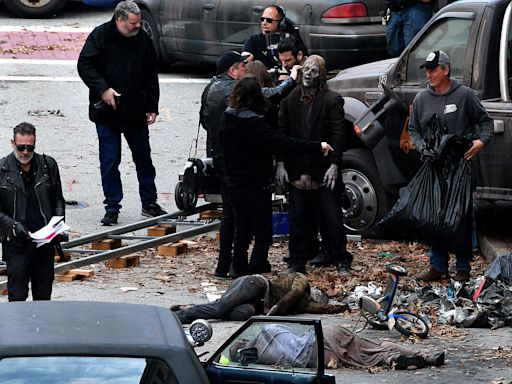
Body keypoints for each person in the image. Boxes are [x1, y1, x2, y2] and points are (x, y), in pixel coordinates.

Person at [220, 76, 333, 276]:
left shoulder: (227, 117)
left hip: (233, 182)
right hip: (255, 183)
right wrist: (318, 146)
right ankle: (257, 267)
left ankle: (237, 268)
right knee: (263, 231)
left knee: (242, 229)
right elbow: (284, 142)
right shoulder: (255, 125)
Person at [77, 1, 166, 226]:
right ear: (119, 20)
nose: (137, 27)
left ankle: (149, 202)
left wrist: (152, 107)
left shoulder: (142, 39)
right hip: (108, 112)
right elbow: (85, 64)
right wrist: (103, 89)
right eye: (133, 24)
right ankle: (112, 206)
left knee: (144, 159)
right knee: (110, 160)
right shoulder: (100, 36)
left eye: (138, 24)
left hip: (135, 111)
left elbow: (150, 75)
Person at [409, 50, 494, 282]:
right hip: (434, 167)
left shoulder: (465, 95)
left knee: (462, 215)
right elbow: (413, 130)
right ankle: (438, 265)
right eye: (426, 70)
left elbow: (486, 122)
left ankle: (463, 267)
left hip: (460, 166)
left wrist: (480, 142)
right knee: (435, 216)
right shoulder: (421, 99)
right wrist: (420, 146)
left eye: (433, 69)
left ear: (445, 70)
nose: (429, 74)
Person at [276, 55, 353, 277]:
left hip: (323, 168)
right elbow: (281, 133)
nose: (309, 75)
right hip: (298, 167)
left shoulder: (331, 100)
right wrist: (281, 163)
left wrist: (334, 164)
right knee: (298, 217)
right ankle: (297, 261)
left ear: (321, 76)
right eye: (306, 70)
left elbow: (339, 134)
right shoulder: (290, 99)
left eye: (314, 71)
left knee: (332, 217)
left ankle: (341, 258)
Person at [0, 122, 65, 301]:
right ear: (12, 143)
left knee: (43, 297)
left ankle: (41, 329)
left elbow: (58, 199)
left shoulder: (48, 165)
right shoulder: (2, 169)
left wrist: (58, 224)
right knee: (17, 298)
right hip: (17, 245)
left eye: (30, 147)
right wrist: (13, 226)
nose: (26, 152)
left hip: (44, 243)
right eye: (21, 147)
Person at [200, 50, 248, 279]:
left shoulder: (209, 88)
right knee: (235, 213)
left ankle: (223, 264)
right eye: (242, 67)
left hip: (217, 155)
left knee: (229, 211)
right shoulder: (234, 90)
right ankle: (233, 265)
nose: (245, 71)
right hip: (234, 159)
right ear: (232, 70)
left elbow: (203, 120)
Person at [228, 323, 445, 370]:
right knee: (375, 346)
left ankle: (393, 360)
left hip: (320, 356)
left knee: (361, 359)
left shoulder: (263, 356)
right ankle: (421, 356)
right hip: (324, 336)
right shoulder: (269, 330)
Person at [170, 273, 348, 324]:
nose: (317, 300)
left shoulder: (305, 303)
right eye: (318, 296)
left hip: (257, 305)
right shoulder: (301, 280)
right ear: (314, 290)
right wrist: (277, 309)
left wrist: (342, 307)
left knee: (239, 313)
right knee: (220, 308)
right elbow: (294, 293)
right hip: (256, 285)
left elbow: (323, 309)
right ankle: (180, 316)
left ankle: (190, 308)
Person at [242, 5, 305, 70]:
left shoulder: (292, 39)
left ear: (281, 23)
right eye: (262, 19)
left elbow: (303, 60)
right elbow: (245, 59)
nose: (264, 23)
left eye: (269, 20)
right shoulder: (254, 40)